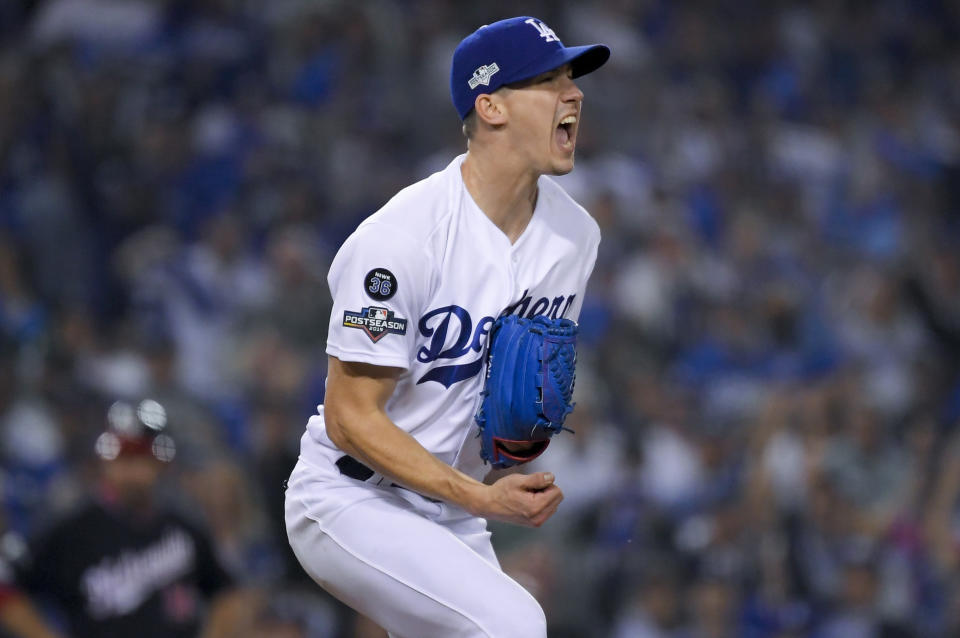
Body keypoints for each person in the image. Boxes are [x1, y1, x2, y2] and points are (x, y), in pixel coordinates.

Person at [284, 15, 610, 638]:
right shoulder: (399, 240)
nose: (574, 94)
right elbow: (351, 418)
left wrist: (513, 458)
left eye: (573, 78)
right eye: (550, 80)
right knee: (513, 625)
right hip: (351, 496)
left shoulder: (576, 238)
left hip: (451, 508)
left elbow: (514, 398)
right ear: (490, 106)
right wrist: (481, 498)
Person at [2, 399, 251, 638]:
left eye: (141, 459)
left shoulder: (183, 528)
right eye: (123, 458)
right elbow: (7, 590)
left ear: (160, 464)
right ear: (105, 462)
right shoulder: (71, 530)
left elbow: (228, 594)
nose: (132, 470)